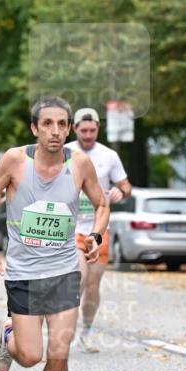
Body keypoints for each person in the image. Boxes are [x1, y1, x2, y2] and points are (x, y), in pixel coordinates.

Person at [0, 96, 108, 371]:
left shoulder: (79, 163)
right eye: (47, 124)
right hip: (23, 272)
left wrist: (96, 235)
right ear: (35, 128)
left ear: (69, 128)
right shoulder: (15, 160)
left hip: (64, 269)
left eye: (62, 124)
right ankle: (8, 336)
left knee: (60, 349)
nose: (55, 131)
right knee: (30, 356)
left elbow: (102, 203)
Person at [66, 108, 132, 351]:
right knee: (79, 279)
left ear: (98, 129)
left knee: (93, 286)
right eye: (83, 131)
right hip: (70, 228)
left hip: (99, 228)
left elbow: (126, 186)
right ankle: (66, 329)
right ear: (74, 129)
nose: (88, 135)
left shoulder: (109, 155)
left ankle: (87, 332)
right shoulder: (65, 152)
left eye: (92, 130)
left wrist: (120, 192)